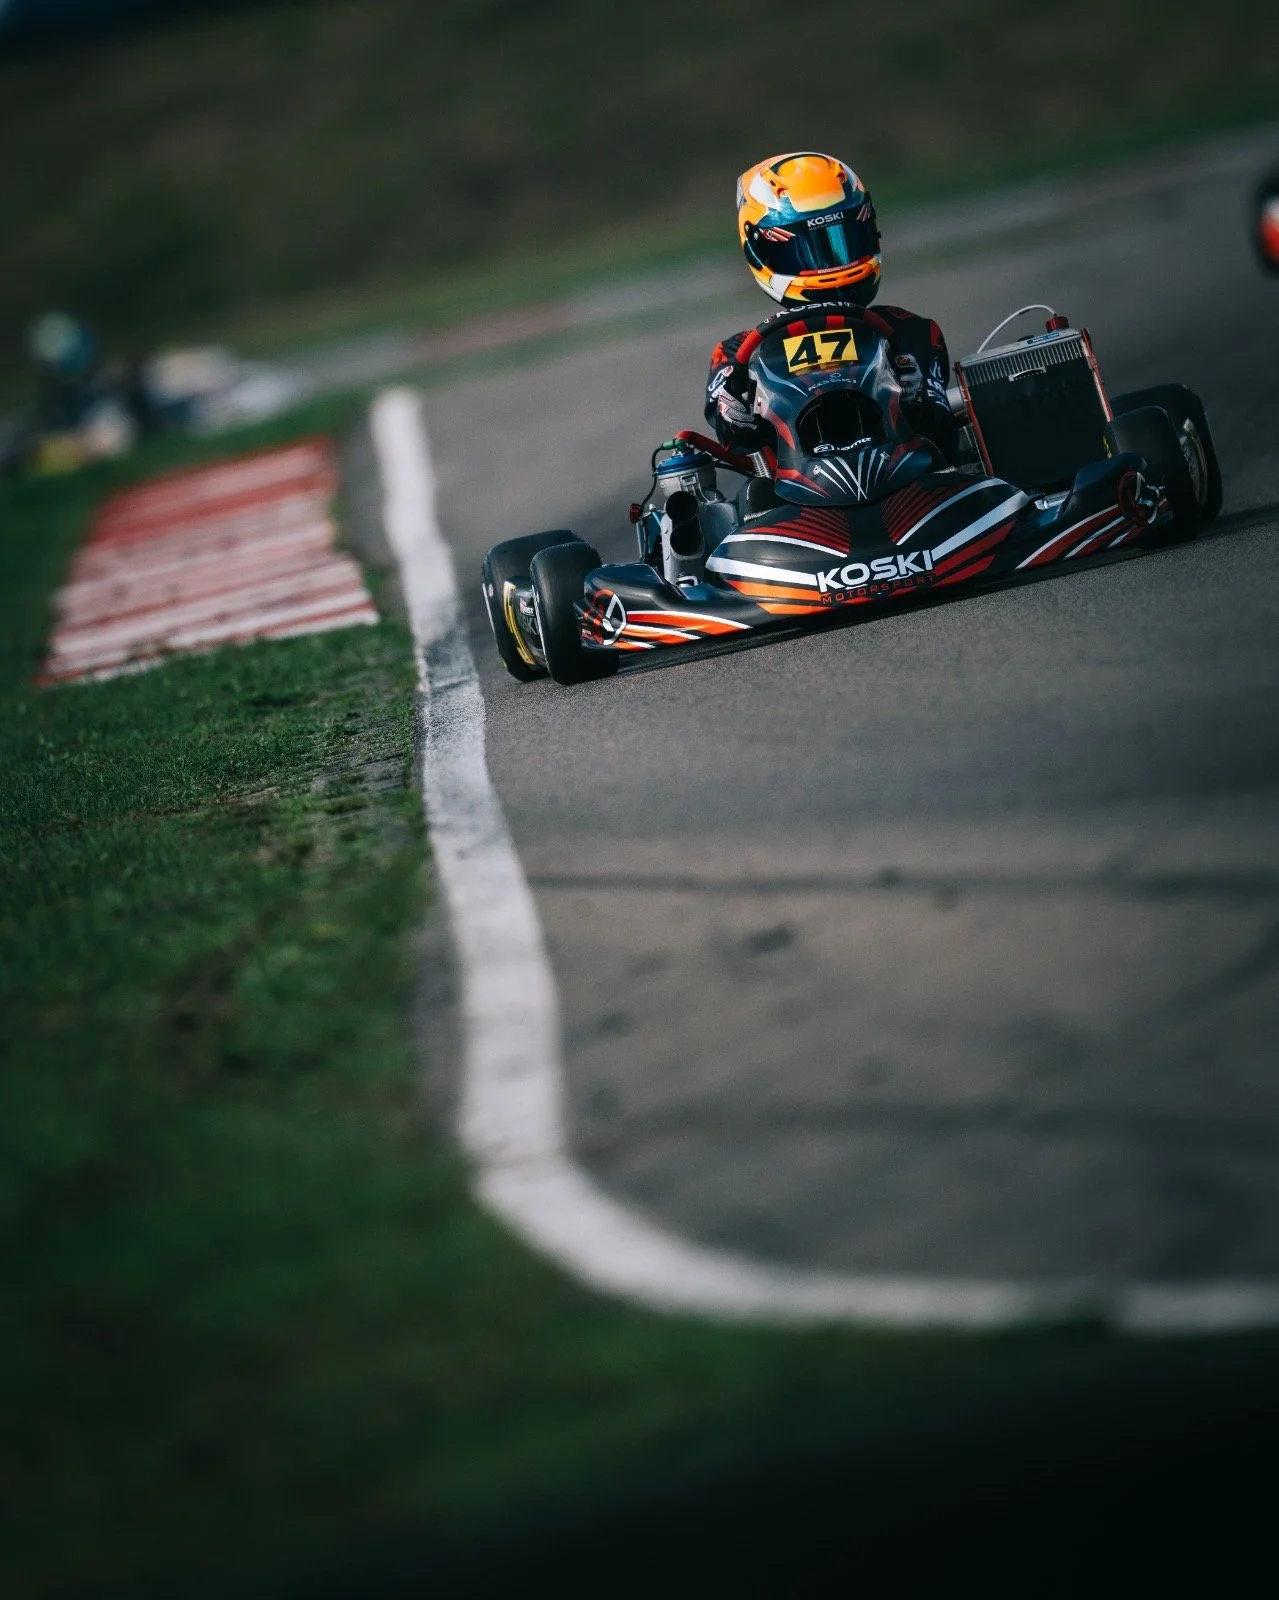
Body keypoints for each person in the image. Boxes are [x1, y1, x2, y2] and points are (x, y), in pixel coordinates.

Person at [705, 152, 958, 463]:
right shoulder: (739, 355)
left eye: (842, 240)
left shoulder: (912, 333)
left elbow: (945, 438)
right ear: (761, 250)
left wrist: (916, 401)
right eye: (807, 250)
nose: (831, 265)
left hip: (906, 488)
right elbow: (734, 440)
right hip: (799, 503)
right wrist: (736, 414)